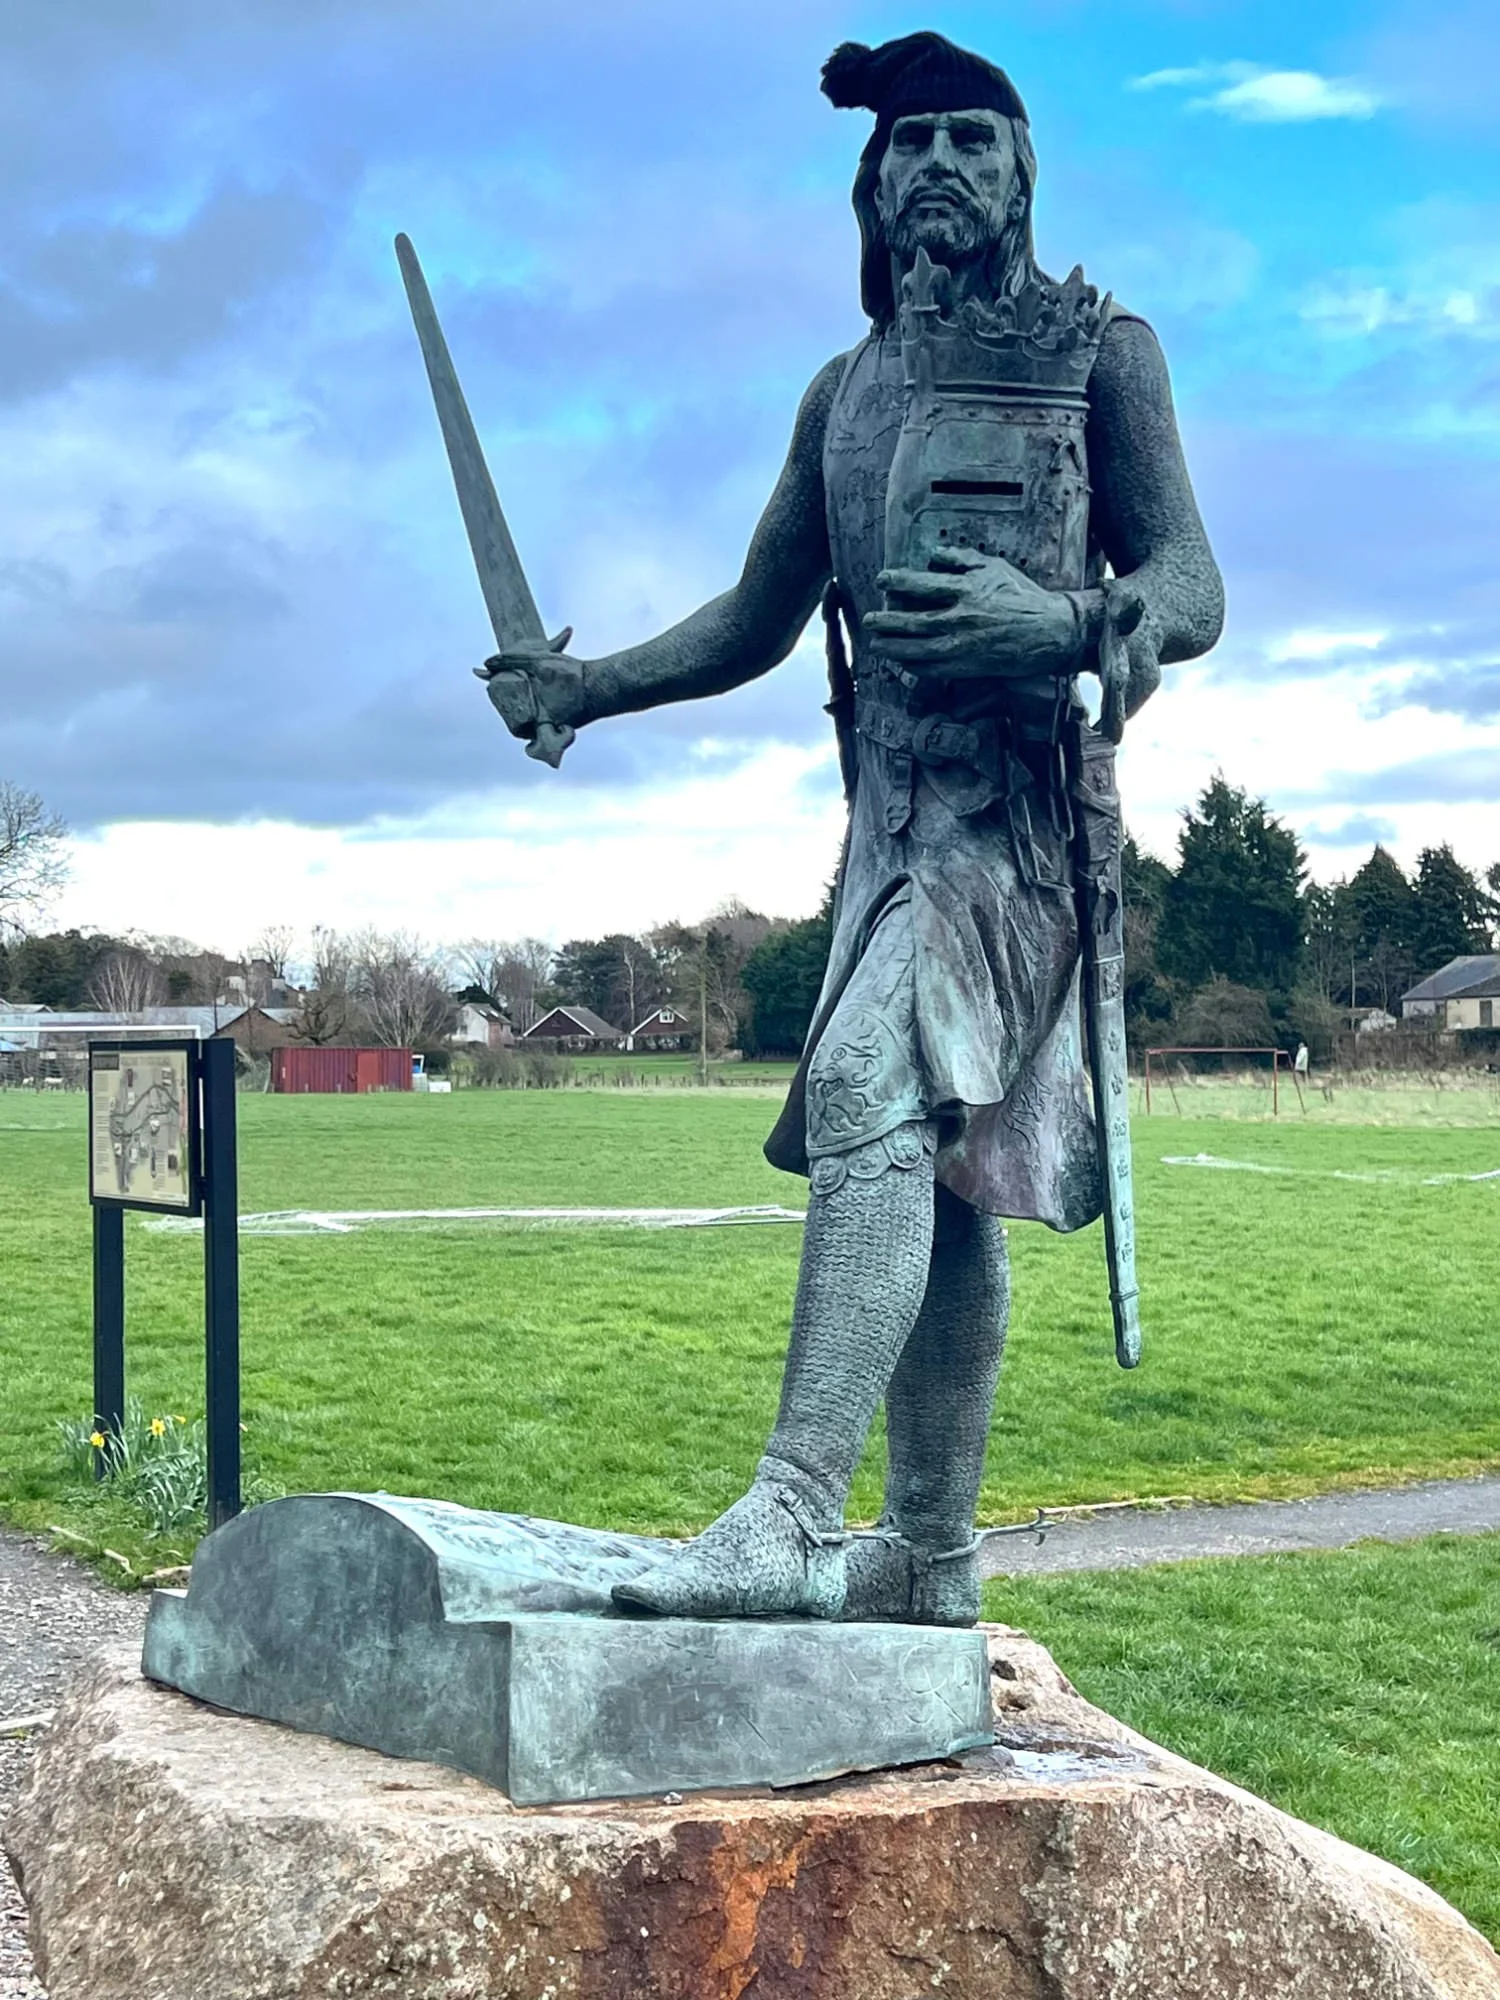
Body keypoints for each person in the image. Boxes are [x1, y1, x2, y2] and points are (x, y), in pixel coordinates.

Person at [482, 32, 1224, 1625]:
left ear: (1022, 169)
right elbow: (761, 615)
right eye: (910, 148)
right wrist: (583, 687)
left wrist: (1064, 620)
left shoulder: (1105, 356)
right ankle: (934, 1561)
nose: (939, 166)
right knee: (941, 1181)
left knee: (872, 1093)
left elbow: (1192, 589)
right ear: (870, 189)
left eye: (971, 138)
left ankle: (791, 1518)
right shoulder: (850, 391)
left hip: (1019, 839)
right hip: (886, 840)